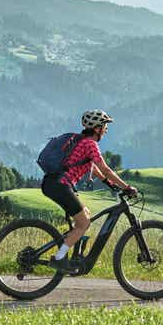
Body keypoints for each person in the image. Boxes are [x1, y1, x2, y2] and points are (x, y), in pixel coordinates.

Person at [40, 109, 137, 272]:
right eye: (105, 126)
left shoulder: (81, 141)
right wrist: (126, 187)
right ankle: (59, 258)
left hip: (55, 183)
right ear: (97, 128)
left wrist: (108, 183)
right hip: (60, 185)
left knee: (85, 213)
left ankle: (73, 254)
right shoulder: (91, 144)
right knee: (83, 222)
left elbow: (93, 168)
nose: (106, 129)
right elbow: (105, 169)